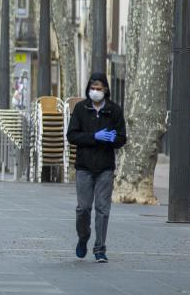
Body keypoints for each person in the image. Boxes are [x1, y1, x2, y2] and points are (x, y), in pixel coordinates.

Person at [66, 72, 126, 263]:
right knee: (83, 208)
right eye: (93, 88)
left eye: (99, 89)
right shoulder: (81, 109)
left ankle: (100, 248)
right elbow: (72, 136)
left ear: (106, 90)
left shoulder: (114, 110)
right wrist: (94, 137)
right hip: (84, 166)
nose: (95, 92)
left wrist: (112, 139)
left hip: (105, 167)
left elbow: (121, 138)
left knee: (103, 209)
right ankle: (83, 237)